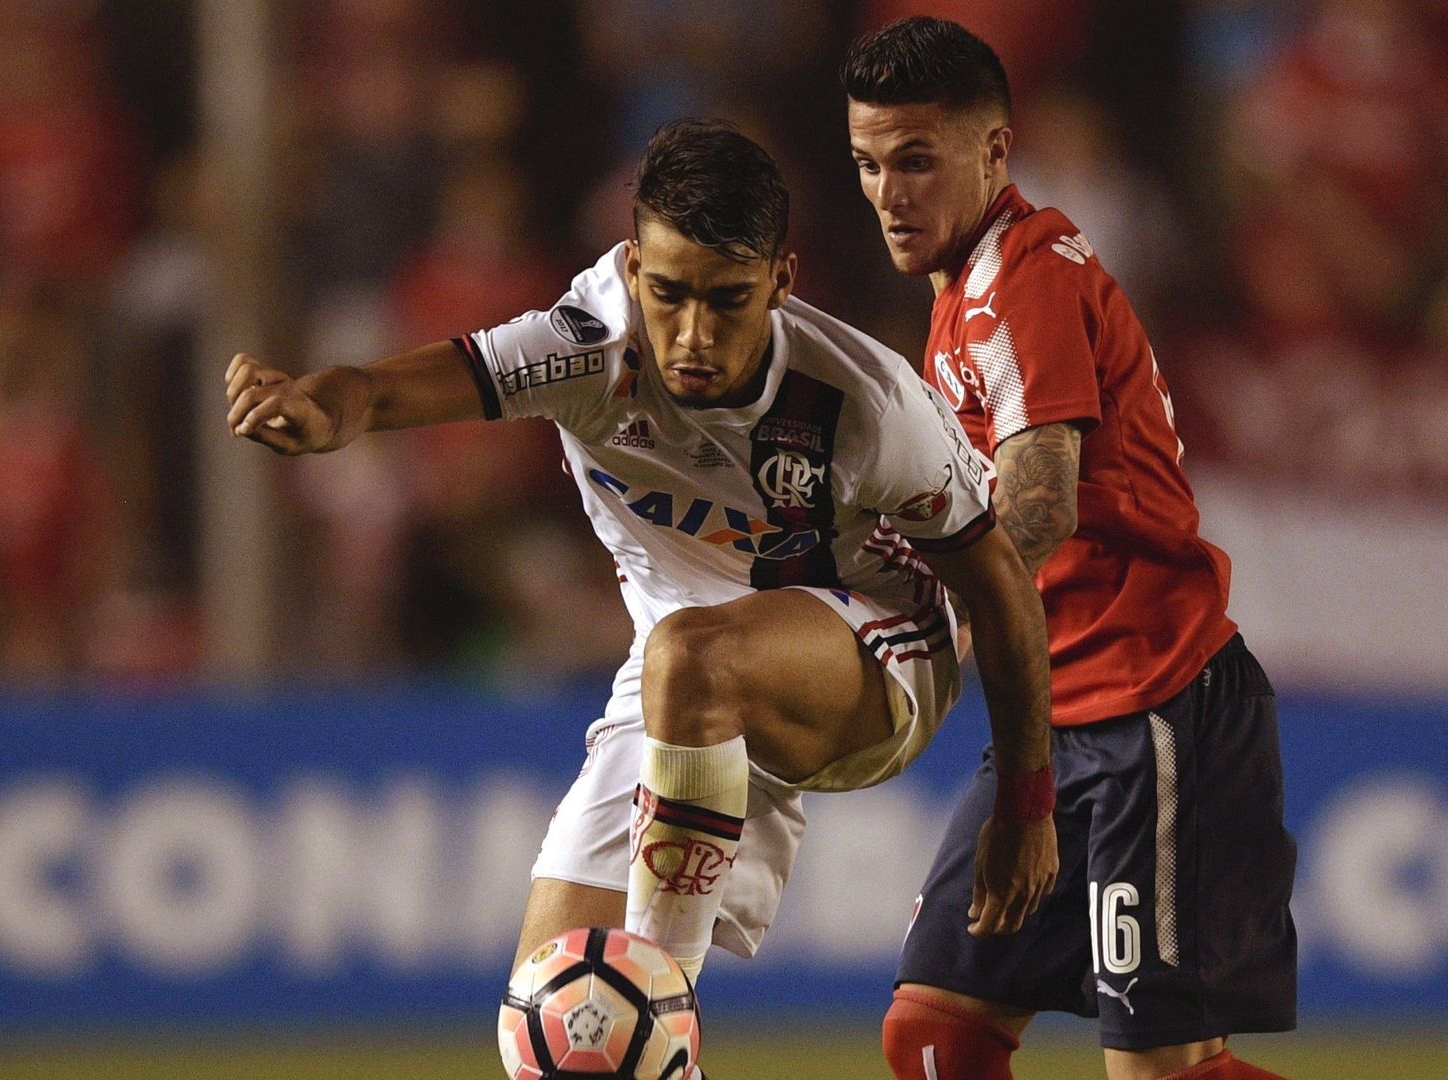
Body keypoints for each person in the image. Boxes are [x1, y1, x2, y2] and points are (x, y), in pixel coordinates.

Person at [225, 119, 1059, 1002]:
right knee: (554, 1019)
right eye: (669, 294)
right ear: (632, 267)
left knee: (692, 663)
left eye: (728, 300)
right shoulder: (585, 347)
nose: (693, 334)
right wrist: (325, 404)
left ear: (782, 279)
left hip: (875, 649)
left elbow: (1002, 584)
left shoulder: (865, 400)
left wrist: (1025, 805)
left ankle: (663, 1006)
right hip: (675, 693)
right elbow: (386, 388)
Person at [842, 18, 1297, 1080]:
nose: (888, 193)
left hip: (1153, 707)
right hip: (1058, 714)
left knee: (1159, 1074)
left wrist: (913, 611)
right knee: (935, 1037)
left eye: (917, 160)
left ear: (995, 152)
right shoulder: (962, 296)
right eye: (867, 164)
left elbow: (1037, 506)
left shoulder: (1021, 282)